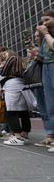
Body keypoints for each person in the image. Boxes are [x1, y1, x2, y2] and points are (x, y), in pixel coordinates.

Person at [0, 51, 33, 146]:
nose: (3, 56)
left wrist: (2, 66)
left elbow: (3, 72)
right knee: (23, 111)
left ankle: (17, 136)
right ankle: (24, 134)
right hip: (20, 83)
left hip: (12, 84)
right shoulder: (20, 60)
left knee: (11, 111)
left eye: (4, 55)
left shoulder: (11, 59)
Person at [36, 10, 54, 152]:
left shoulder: (49, 34)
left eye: (47, 20)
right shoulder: (44, 37)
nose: (44, 23)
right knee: (50, 104)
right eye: (42, 21)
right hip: (46, 68)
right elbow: (41, 57)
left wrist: (46, 34)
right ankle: (51, 135)